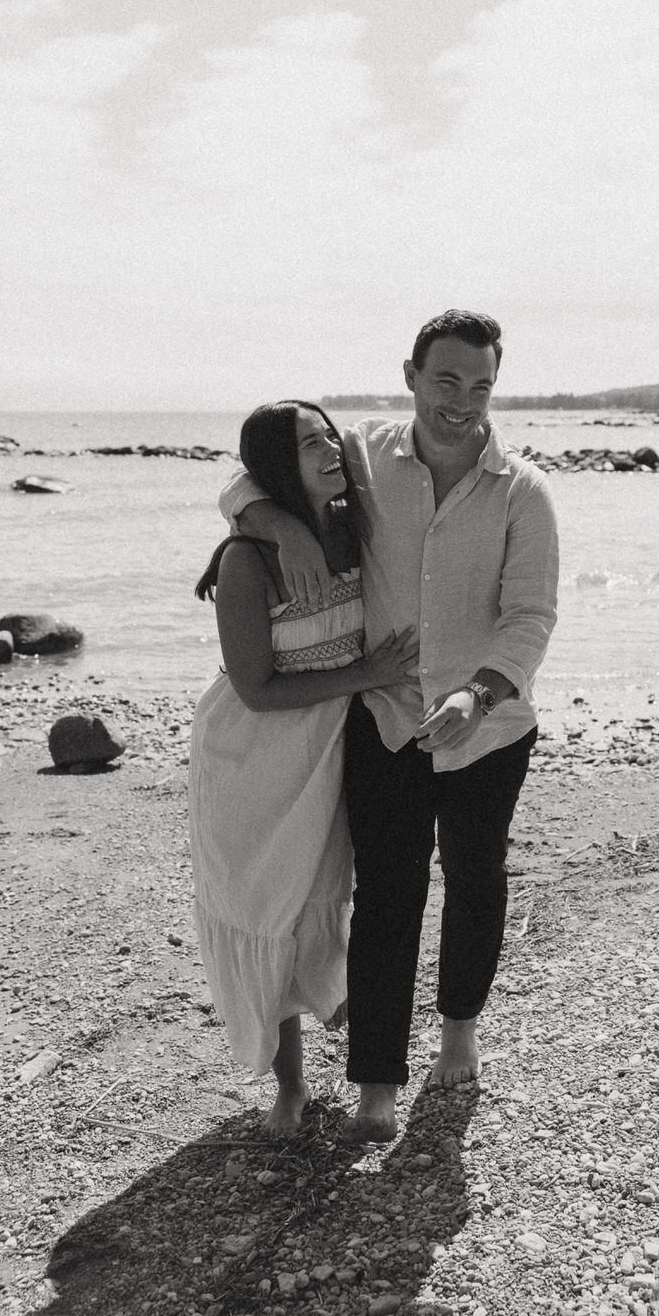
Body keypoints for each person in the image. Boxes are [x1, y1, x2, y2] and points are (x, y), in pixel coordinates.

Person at [220, 312, 559, 1142]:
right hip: (385, 720)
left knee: (476, 879)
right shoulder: (365, 456)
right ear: (409, 374)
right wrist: (280, 522)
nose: (462, 403)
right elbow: (246, 480)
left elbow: (530, 618)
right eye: (445, 381)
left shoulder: (523, 490)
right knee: (387, 900)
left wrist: (477, 694)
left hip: (489, 729)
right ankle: (376, 1080)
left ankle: (459, 1031)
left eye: (479, 386)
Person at [189, 401, 415, 1138]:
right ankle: (289, 1088)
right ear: (275, 469)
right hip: (251, 761)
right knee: (270, 917)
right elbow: (255, 688)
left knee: (324, 904)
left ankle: (361, 1043)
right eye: (305, 444)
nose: (326, 449)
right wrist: (366, 674)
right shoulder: (246, 560)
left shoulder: (354, 526)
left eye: (327, 436)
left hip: (328, 753)